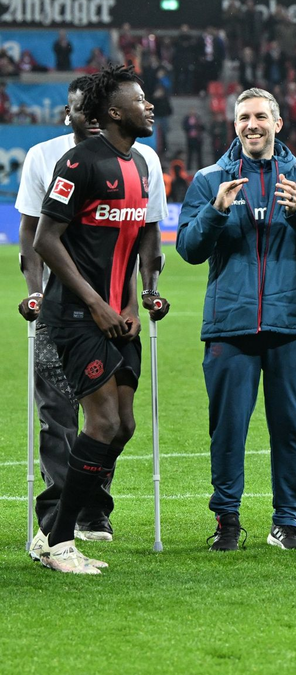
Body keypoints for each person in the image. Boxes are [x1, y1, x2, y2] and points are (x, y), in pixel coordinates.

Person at [177, 88, 296, 552]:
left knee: (289, 428)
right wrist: (215, 213)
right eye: (244, 117)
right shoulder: (210, 180)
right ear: (234, 125)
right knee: (227, 428)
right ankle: (227, 520)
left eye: (260, 117)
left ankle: (286, 522)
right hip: (229, 324)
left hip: (290, 322)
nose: (252, 124)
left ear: (278, 123)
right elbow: (188, 249)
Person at [16, 74, 167, 548]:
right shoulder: (78, 162)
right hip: (76, 315)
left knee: (122, 426)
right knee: (98, 422)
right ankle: (60, 539)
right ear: (115, 113)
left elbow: (130, 242)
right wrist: (98, 304)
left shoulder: (141, 164)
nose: (150, 106)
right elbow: (44, 238)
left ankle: (61, 526)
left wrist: (129, 302)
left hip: (115, 315)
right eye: (140, 100)